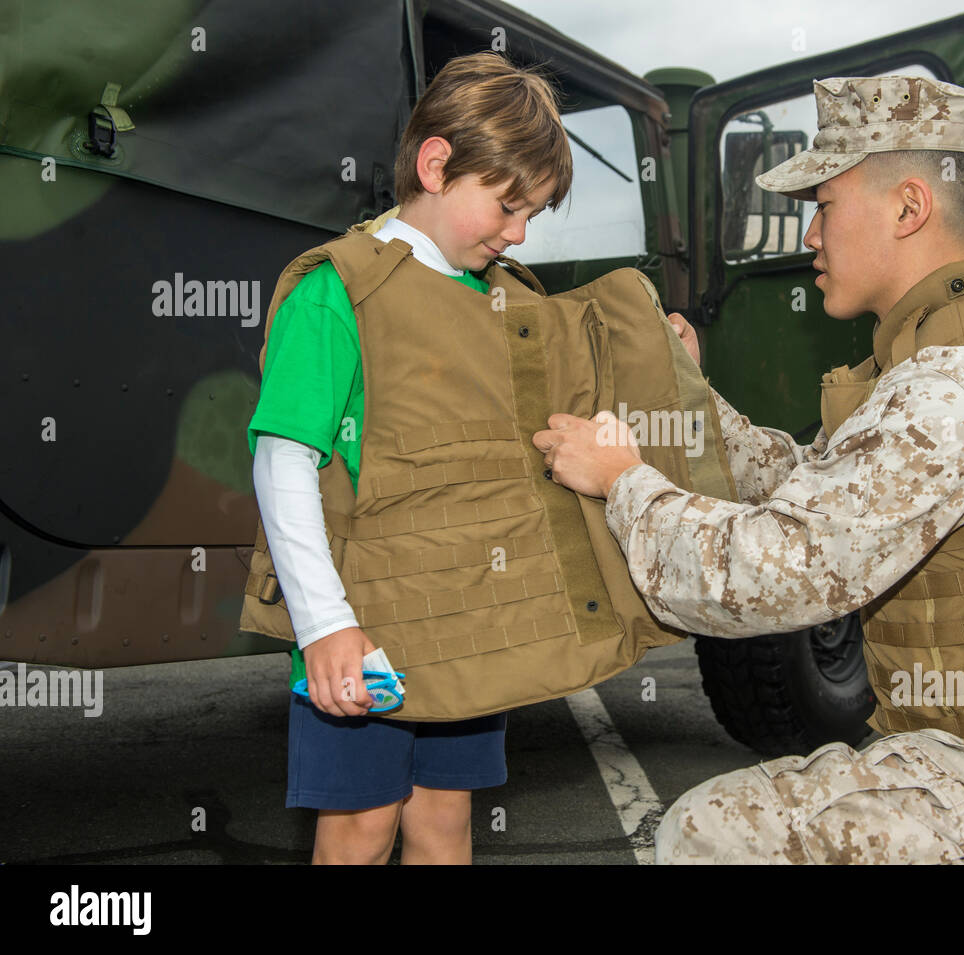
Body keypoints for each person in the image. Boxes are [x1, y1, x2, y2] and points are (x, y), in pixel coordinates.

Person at [534, 75, 964, 864]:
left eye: (825, 206)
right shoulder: (956, 350)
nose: (810, 236)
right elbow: (813, 477)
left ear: (910, 208)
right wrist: (688, 395)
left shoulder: (958, 383)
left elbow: (779, 571)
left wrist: (623, 482)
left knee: (710, 834)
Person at [246, 52, 570, 864]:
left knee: (443, 822)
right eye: (507, 205)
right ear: (435, 164)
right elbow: (284, 462)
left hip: (466, 622)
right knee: (360, 825)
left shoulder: (500, 299)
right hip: (368, 628)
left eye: (533, 214)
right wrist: (324, 627)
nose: (519, 233)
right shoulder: (338, 290)